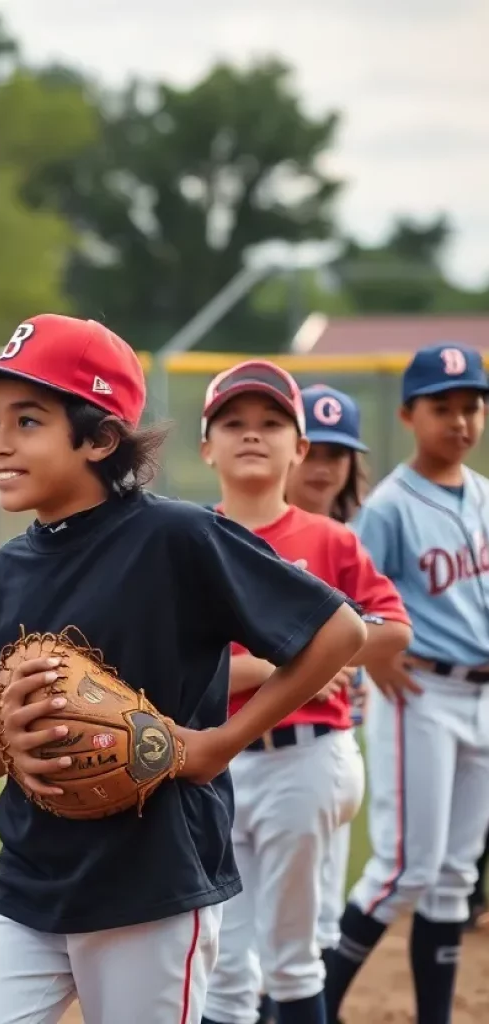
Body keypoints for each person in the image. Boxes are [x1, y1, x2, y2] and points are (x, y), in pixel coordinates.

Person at [0, 315, 366, 1024]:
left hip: (154, 883)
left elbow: (338, 630)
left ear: (101, 439)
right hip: (29, 885)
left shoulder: (177, 538)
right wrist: (4, 726)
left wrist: (218, 744)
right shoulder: (6, 571)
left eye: (29, 420)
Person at [197, 362, 411, 1024]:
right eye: (233, 423)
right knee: (224, 963)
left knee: (292, 955)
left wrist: (336, 651)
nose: (252, 435)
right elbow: (173, 668)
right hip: (213, 763)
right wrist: (297, 661)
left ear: (299, 447)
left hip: (304, 757)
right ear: (206, 448)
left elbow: (393, 629)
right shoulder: (186, 538)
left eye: (271, 423)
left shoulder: (328, 539)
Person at [324, 343, 489, 1024]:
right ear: (409, 415)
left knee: (453, 878)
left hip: (481, 696)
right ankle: (306, 1009)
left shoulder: (483, 496)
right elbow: (347, 600)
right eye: (441, 408)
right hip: (417, 694)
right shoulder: (390, 506)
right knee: (401, 871)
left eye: (470, 407)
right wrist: (372, 656)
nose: (459, 421)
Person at [287, 384, 373, 962]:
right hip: (256, 748)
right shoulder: (251, 538)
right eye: (313, 451)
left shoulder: (353, 543)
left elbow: (390, 626)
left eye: (335, 455)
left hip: (333, 742)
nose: (322, 467)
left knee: (314, 921)